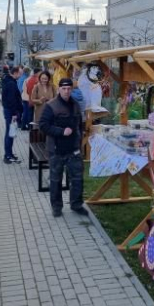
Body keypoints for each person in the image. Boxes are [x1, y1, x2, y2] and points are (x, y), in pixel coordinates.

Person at [39, 78, 88, 218]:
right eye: (64, 89)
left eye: (69, 89)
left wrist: (79, 138)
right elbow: (43, 125)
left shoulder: (76, 105)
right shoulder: (51, 106)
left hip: (73, 149)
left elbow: (80, 124)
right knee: (55, 179)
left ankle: (76, 204)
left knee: (77, 178)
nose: (66, 91)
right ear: (59, 89)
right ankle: (56, 207)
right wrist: (60, 131)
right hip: (56, 150)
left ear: (72, 89)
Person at [1, 65, 22, 163]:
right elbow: (11, 100)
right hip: (11, 112)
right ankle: (7, 155)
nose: (20, 75)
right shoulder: (11, 83)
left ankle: (9, 153)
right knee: (10, 133)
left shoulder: (9, 81)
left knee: (10, 133)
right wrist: (14, 113)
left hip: (9, 111)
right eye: (20, 73)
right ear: (15, 73)